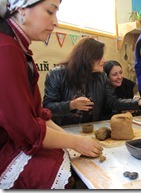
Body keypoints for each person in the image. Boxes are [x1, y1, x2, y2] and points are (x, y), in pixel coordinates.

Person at [0, 0, 103, 189]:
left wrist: (72, 142)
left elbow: (38, 113)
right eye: (50, 11)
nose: (56, 22)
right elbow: (29, 129)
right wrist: (75, 141)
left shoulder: (20, 50)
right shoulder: (6, 50)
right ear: (21, 9)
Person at [43, 38, 141, 126]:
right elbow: (47, 107)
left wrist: (140, 102)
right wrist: (71, 105)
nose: (104, 60)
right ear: (89, 57)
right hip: (64, 131)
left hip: (91, 130)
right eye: (101, 56)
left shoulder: (101, 76)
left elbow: (113, 102)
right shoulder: (56, 74)